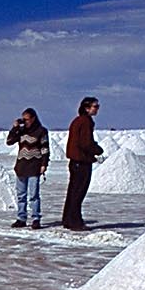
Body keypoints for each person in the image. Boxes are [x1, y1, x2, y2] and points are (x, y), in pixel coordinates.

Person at [61, 96, 102, 231]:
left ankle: (68, 219)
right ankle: (75, 222)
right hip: (81, 162)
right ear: (87, 108)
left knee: (73, 192)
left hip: (75, 161)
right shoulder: (85, 122)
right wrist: (97, 150)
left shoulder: (78, 121)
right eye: (95, 106)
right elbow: (85, 143)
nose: (97, 109)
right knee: (78, 192)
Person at [5, 107, 50, 228]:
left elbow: (45, 148)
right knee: (21, 195)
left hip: (34, 166)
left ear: (34, 118)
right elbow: (9, 141)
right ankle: (21, 218)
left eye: (27, 119)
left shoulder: (41, 131)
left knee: (34, 195)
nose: (25, 122)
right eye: (23, 119)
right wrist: (15, 128)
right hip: (21, 166)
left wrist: (44, 164)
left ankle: (36, 218)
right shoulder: (21, 131)